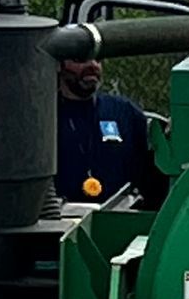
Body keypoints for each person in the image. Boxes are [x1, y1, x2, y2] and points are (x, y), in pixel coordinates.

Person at [55, 52, 150, 203]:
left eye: (97, 59)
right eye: (81, 59)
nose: (92, 65)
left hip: (116, 217)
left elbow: (148, 176)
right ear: (59, 65)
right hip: (60, 220)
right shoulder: (43, 118)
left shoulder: (125, 112)